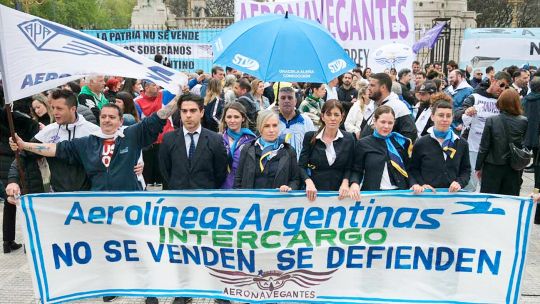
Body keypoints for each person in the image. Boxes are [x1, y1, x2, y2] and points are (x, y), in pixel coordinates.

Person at [10, 100, 177, 191]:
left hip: (130, 202)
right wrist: (24, 145)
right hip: (97, 204)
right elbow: (53, 148)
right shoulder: (87, 142)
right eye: (103, 116)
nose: (106, 120)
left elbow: (159, 117)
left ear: (120, 121)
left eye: (112, 117)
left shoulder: (131, 135)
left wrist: (179, 98)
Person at [455, 71, 511, 191]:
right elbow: (458, 113)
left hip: (492, 150)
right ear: (493, 80)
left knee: (488, 186)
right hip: (473, 146)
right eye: (501, 85)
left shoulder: (503, 102)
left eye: (506, 87)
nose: (502, 89)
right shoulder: (475, 96)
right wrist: (467, 111)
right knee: (470, 184)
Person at [159, 93, 228, 191]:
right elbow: (165, 171)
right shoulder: (168, 139)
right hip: (177, 197)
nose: (188, 115)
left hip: (204, 198)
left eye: (193, 111)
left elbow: (220, 172)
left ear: (202, 112)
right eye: (184, 111)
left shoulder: (215, 140)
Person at [349, 106, 412, 199]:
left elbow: (409, 168)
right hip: (373, 194)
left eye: (390, 123)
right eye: (383, 122)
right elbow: (356, 169)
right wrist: (354, 183)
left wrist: (415, 184)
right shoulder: (363, 143)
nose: (386, 126)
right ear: (374, 121)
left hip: (399, 194)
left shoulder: (401, 142)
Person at [409, 100, 471, 193]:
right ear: (432, 117)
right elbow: (413, 170)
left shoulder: (461, 143)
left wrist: (459, 183)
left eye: (448, 116)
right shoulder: (421, 143)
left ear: (452, 118)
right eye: (441, 115)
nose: (445, 119)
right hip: (427, 196)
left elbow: (466, 170)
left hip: (452, 196)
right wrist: (421, 184)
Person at [299, 100, 354, 201]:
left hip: (340, 193)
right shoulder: (310, 137)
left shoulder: (349, 138)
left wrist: (345, 183)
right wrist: (308, 182)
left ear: (342, 117)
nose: (332, 118)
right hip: (314, 193)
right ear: (322, 116)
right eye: (329, 114)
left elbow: (349, 166)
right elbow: (301, 166)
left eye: (336, 115)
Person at [475, 89, 527, 195]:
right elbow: (523, 144)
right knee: (510, 201)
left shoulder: (492, 120)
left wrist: (478, 166)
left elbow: (484, 147)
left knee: (489, 200)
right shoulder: (523, 121)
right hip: (513, 166)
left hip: (492, 165)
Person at [234, 110, 300, 191]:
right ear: (259, 128)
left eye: (275, 125)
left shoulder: (289, 151)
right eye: (267, 126)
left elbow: (295, 180)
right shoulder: (248, 149)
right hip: (251, 201)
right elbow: (238, 178)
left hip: (277, 201)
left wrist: (289, 188)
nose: (271, 130)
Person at [135, 79, 175, 188]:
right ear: (146, 88)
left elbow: (181, 88)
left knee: (165, 175)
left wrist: (195, 80)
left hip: (165, 143)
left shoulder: (164, 95)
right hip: (148, 146)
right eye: (154, 85)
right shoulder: (137, 102)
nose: (157, 86)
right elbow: (136, 122)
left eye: (157, 84)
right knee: (148, 177)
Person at [360, 73, 417, 142]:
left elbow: (410, 134)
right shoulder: (373, 105)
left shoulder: (398, 107)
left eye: (372, 85)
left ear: (383, 87)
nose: (368, 88)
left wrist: (390, 149)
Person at [220, 102, 256, 189]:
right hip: (221, 189)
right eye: (229, 117)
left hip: (243, 189)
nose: (232, 120)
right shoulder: (218, 139)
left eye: (236, 117)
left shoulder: (252, 140)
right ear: (224, 118)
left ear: (243, 118)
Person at [277, 87, 316, 158]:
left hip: (300, 166)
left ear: (295, 101)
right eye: (283, 98)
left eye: (290, 98)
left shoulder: (306, 121)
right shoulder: (273, 122)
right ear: (278, 101)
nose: (286, 101)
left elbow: (312, 145)